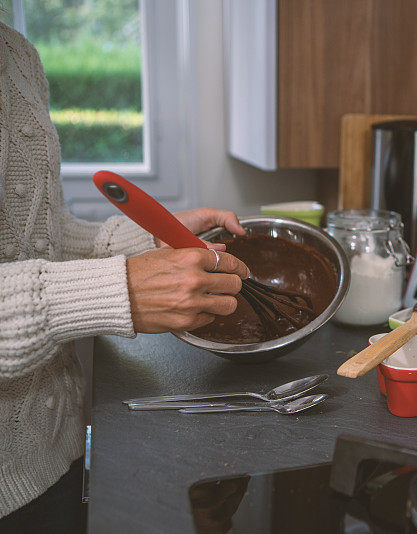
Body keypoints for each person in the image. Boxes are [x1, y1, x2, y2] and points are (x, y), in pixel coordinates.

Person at [0, 21, 250, 533]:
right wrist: (120, 289)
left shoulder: (16, 54)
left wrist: (146, 243)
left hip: (53, 454)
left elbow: (30, 236)